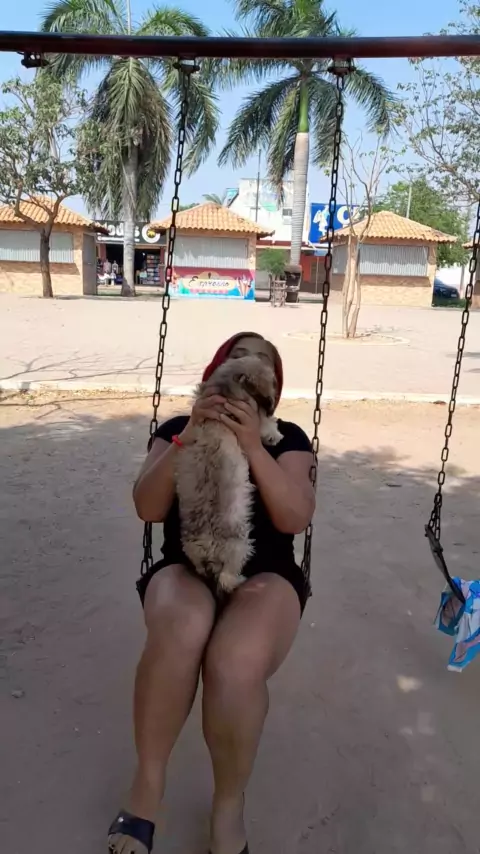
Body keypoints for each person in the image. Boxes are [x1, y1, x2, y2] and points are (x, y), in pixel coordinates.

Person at [108, 332, 316, 854]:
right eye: (238, 355)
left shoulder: (287, 439)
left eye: (263, 360)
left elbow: (295, 516)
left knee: (235, 658)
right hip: (186, 565)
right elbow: (147, 507)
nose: (249, 365)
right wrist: (190, 432)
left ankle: (228, 806)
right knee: (183, 627)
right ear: (215, 371)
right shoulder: (177, 429)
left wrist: (253, 445)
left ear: (272, 387)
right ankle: (147, 788)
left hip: (266, 576)